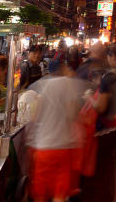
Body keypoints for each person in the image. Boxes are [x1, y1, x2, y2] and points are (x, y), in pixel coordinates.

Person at [27, 58, 85, 202]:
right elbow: (72, 114)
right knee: (60, 192)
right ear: (62, 68)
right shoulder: (67, 83)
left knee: (41, 192)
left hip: (43, 147)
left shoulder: (41, 85)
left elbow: (35, 117)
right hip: (63, 146)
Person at [81, 46, 116, 202]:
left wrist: (89, 98)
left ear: (110, 57)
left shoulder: (108, 78)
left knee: (102, 170)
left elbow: (100, 107)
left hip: (105, 131)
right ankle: (115, 197)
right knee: (111, 167)